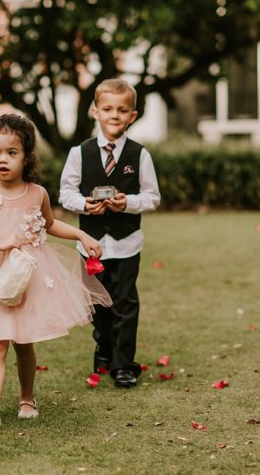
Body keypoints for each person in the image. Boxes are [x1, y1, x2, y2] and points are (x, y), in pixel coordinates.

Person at [0, 113, 112, 430]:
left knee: (23, 342)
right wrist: (2, 243)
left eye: (11, 152)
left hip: (29, 275)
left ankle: (26, 398)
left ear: (27, 155)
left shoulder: (37, 193)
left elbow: (49, 225)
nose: (3, 160)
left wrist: (81, 235)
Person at [59, 78, 160, 388]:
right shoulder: (80, 152)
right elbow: (65, 193)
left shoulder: (139, 154)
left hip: (127, 243)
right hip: (91, 245)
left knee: (125, 302)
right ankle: (103, 349)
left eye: (122, 110)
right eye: (107, 109)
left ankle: (123, 364)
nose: (114, 115)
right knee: (97, 304)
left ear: (132, 115)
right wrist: (85, 205)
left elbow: (152, 197)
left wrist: (126, 203)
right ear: (95, 111)